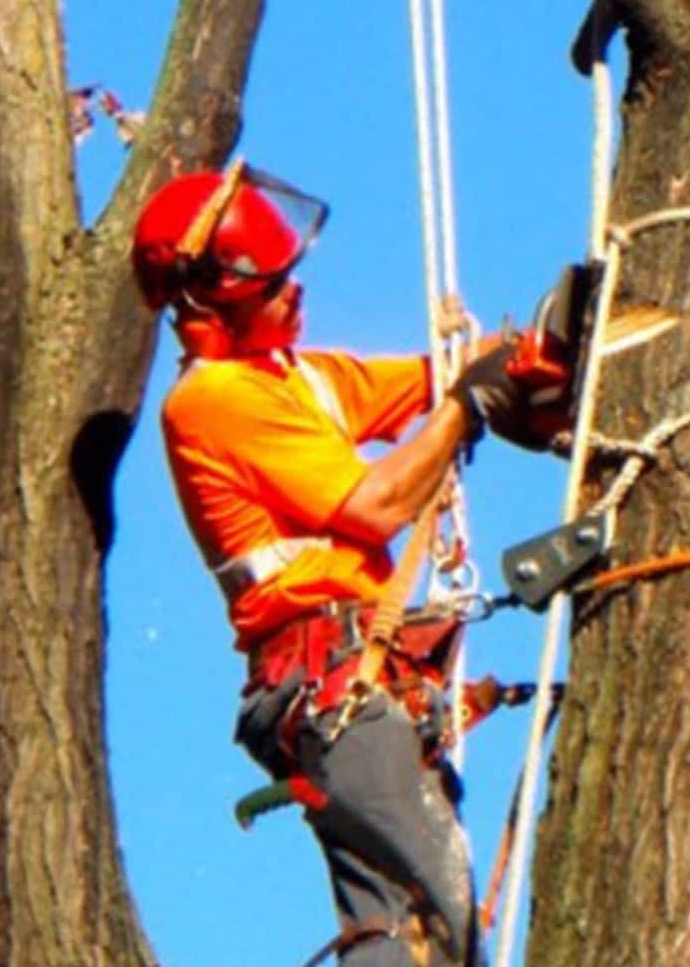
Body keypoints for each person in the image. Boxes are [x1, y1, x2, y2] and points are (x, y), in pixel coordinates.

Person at [132, 161, 525, 966]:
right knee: (428, 918)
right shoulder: (212, 402)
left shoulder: (298, 377)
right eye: (274, 288)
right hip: (329, 683)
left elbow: (441, 382)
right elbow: (379, 505)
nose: (295, 296)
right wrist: (463, 406)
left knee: (416, 921)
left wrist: (531, 352)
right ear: (210, 307)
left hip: (366, 681)